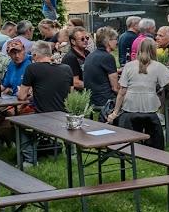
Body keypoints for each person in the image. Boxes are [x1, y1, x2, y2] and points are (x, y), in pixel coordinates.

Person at [108, 37, 169, 149]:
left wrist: (115, 112)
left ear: (139, 49)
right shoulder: (158, 66)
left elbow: (122, 91)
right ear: (153, 50)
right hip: (150, 107)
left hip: (130, 107)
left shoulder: (128, 66)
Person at [16, 40, 74, 168]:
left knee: (17, 123)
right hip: (65, 116)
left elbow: (21, 96)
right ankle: (73, 154)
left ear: (35, 55)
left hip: (43, 117)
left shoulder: (32, 68)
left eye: (32, 55)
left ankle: (30, 160)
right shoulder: (66, 68)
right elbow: (71, 94)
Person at [83, 26, 121, 120]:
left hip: (92, 99)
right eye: (115, 39)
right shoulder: (108, 57)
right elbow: (115, 88)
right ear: (108, 41)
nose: (117, 42)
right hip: (105, 101)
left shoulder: (91, 55)